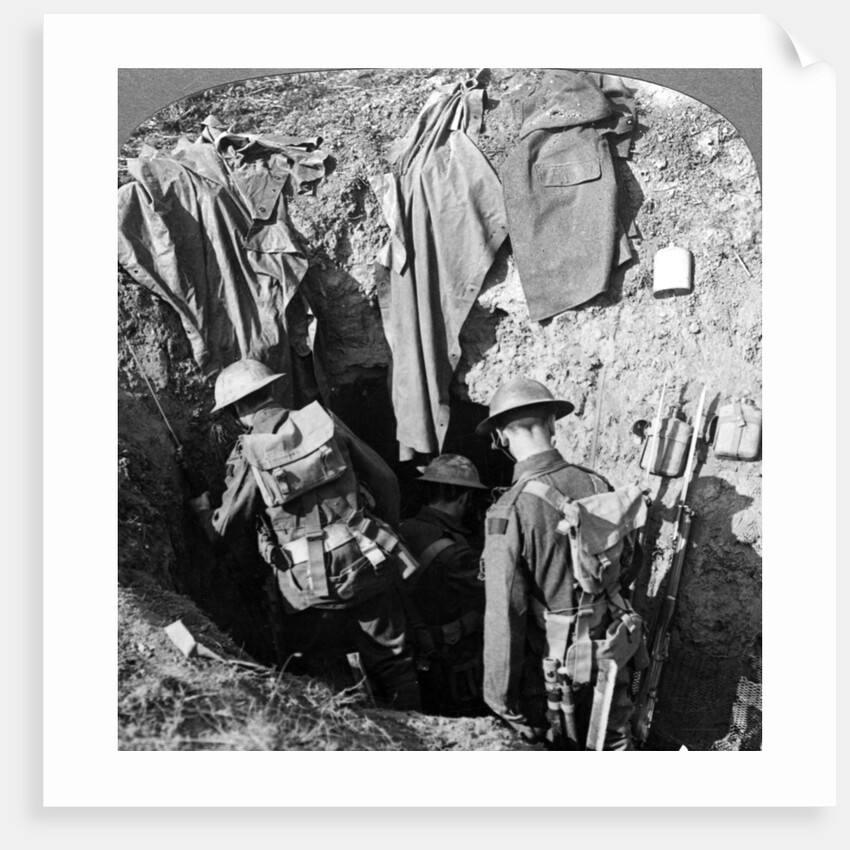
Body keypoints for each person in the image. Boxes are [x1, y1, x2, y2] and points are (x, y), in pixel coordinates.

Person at [188, 358, 421, 710]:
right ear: (270, 389)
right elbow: (386, 480)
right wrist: (381, 531)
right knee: (394, 662)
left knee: (322, 675)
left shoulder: (250, 451)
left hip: (306, 587)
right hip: (365, 561)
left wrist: (204, 512)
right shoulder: (322, 421)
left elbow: (224, 529)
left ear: (237, 409)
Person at [476, 376, 642, 750]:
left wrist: (500, 701)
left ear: (500, 437)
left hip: (551, 673)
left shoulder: (508, 512)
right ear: (552, 424)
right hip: (612, 651)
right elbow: (631, 562)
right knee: (615, 742)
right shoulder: (598, 484)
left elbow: (506, 613)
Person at [398, 455, 488, 715]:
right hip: (450, 659)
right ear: (465, 498)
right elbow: (493, 588)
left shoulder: (404, 528)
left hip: (413, 653)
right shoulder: (453, 553)